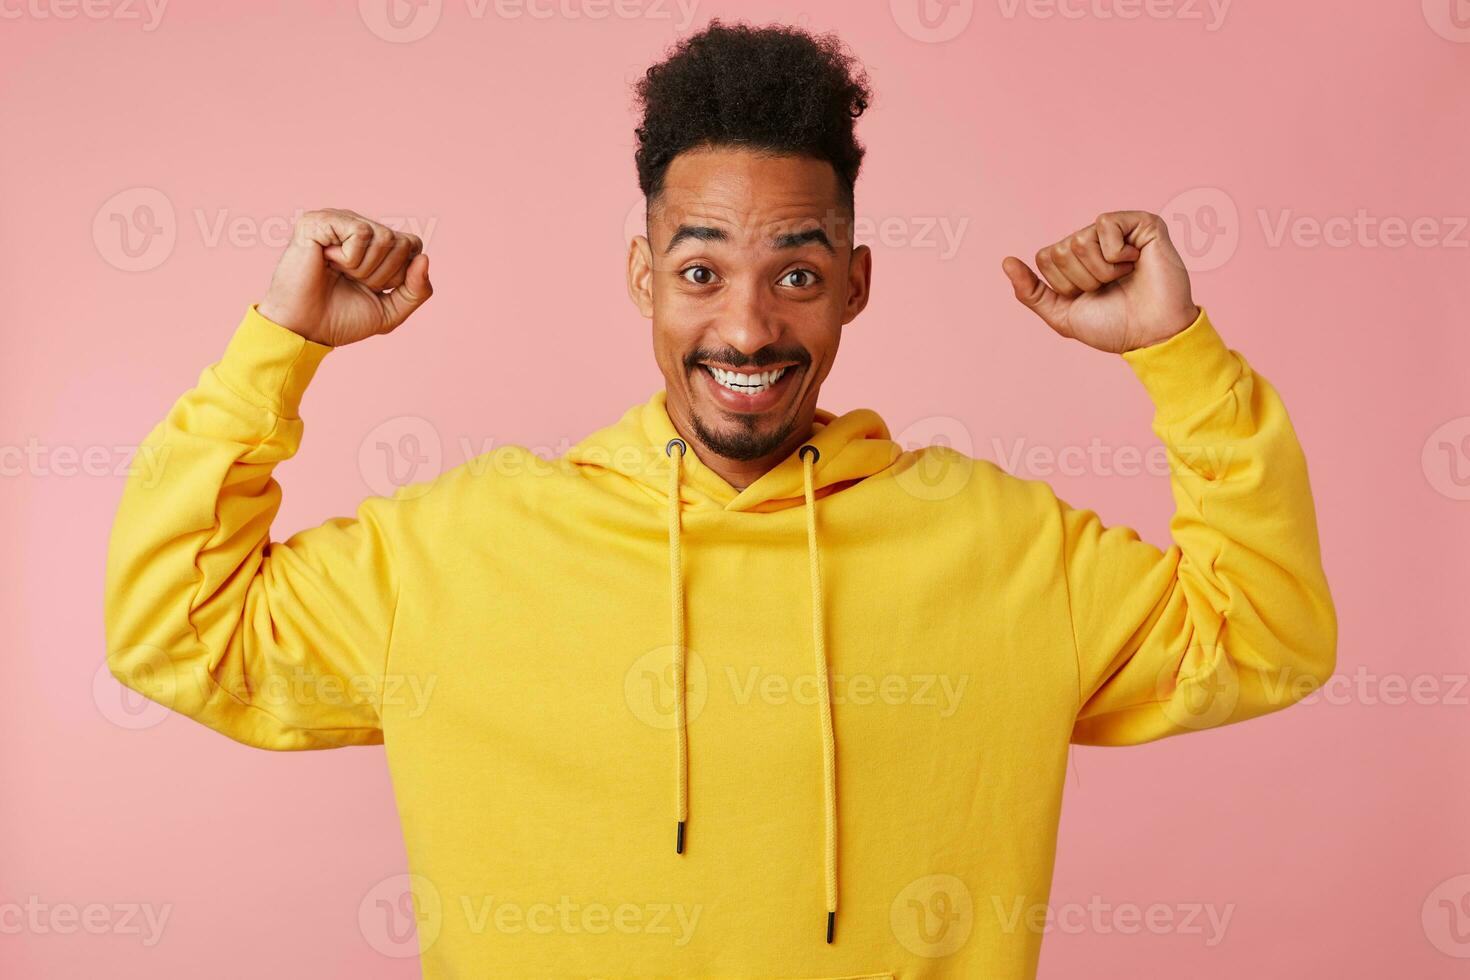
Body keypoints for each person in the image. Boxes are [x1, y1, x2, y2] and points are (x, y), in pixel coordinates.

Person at [104, 19, 1336, 979]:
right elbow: (175, 630)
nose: (747, 325)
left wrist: (1177, 351)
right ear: (645, 275)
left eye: (795, 272)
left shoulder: (1011, 550)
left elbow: (1267, 638)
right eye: (701, 270)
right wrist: (280, 343)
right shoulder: (453, 550)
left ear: (855, 283)